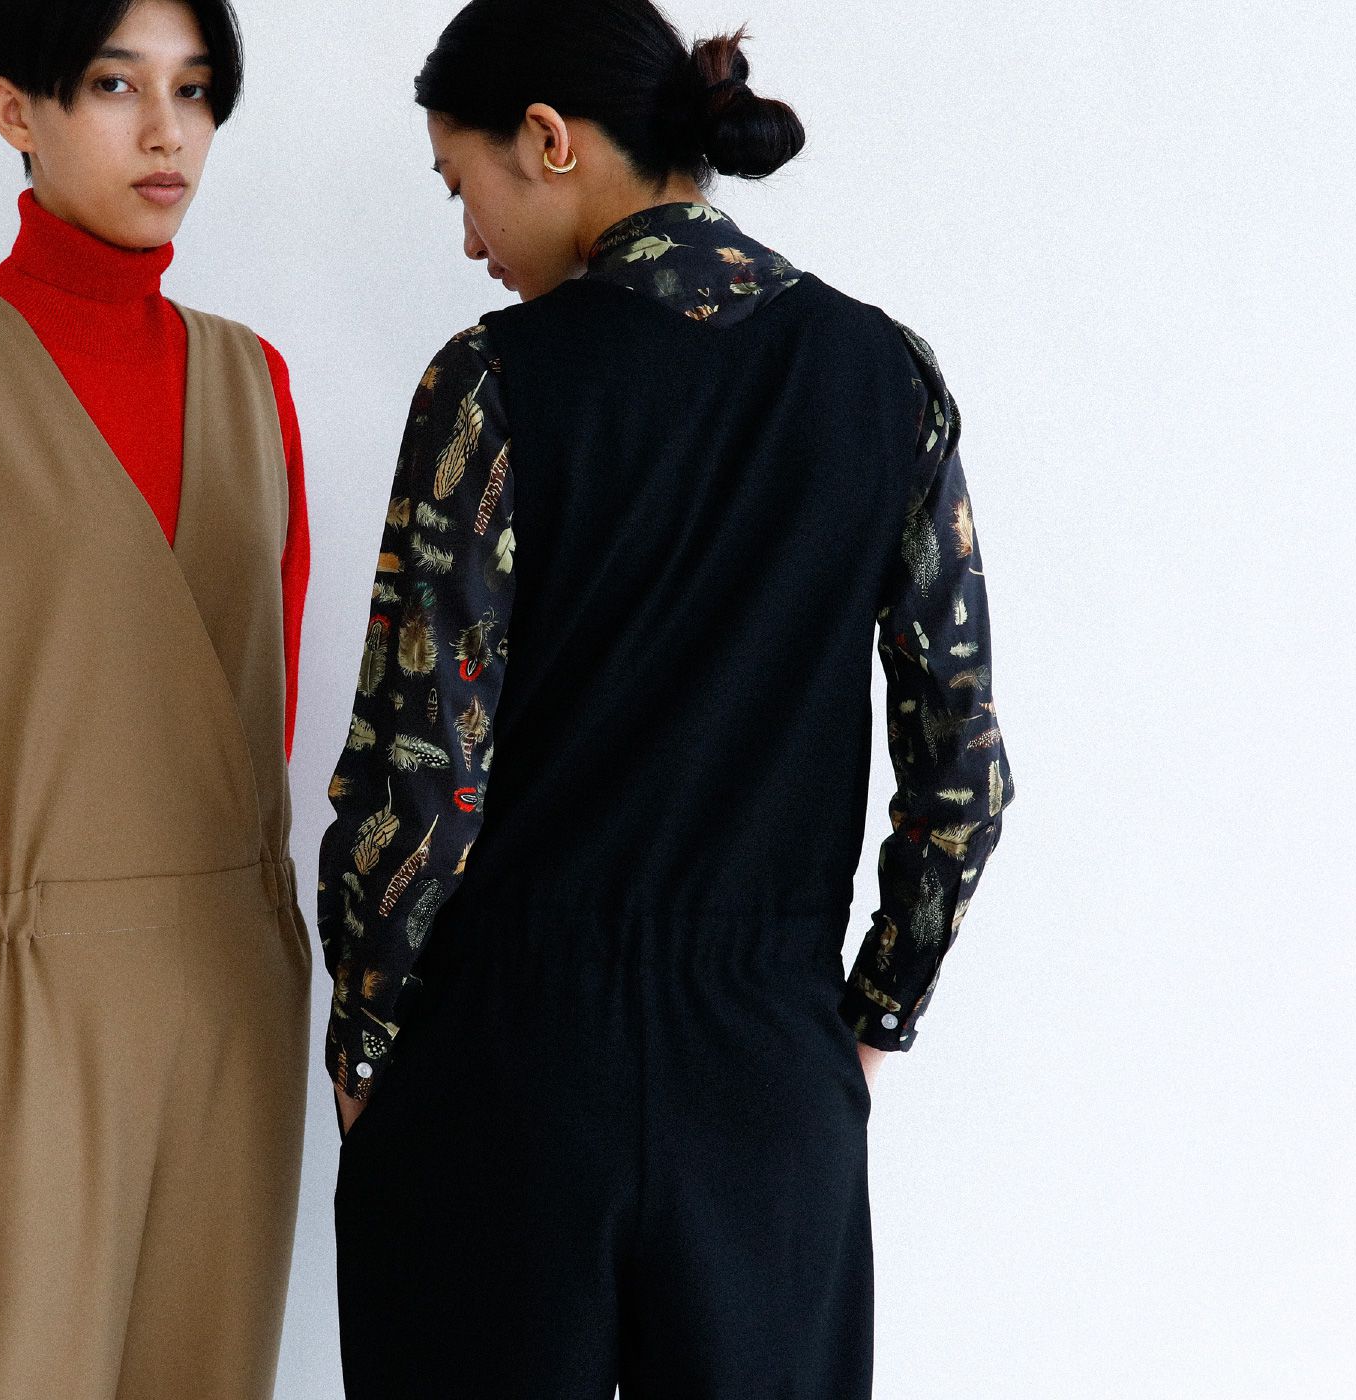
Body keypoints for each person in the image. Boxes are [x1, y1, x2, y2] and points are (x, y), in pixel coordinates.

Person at [315, 2, 1014, 1395]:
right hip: (766, 1081)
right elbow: (961, 777)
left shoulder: (491, 387)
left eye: (462, 188)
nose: (470, 243)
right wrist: (862, 1026)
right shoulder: (886, 380)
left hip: (506, 1081)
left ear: (550, 140)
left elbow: (423, 787)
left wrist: (368, 1027)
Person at [0, 2, 314, 1396]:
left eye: (195, 91)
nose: (167, 133)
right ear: (14, 109)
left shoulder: (253, 384)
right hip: (13, 1023)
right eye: (115, 86)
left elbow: (246, 743)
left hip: (234, 1008)